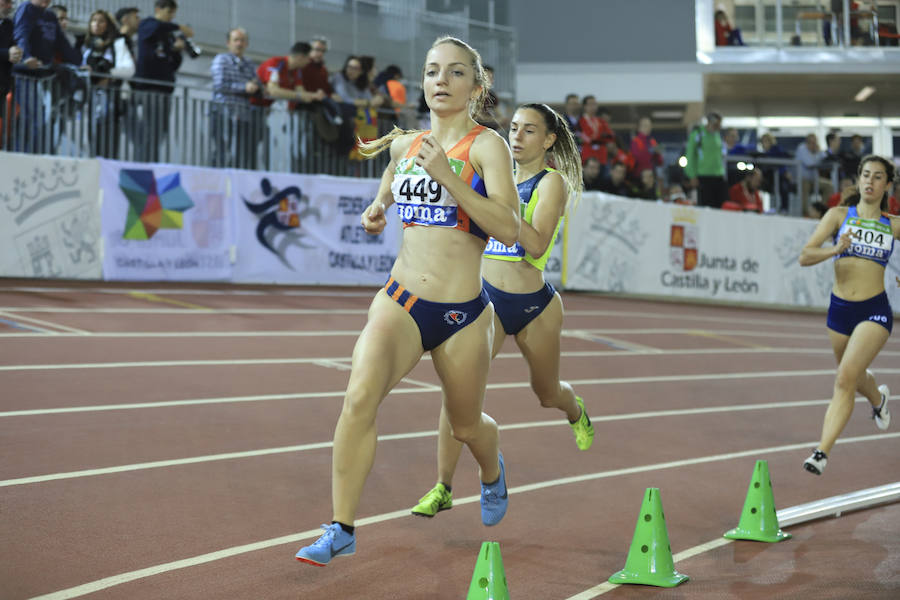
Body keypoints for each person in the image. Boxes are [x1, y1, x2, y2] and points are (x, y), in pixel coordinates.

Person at [294, 35, 521, 567]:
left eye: (455, 72)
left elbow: (508, 228)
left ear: (475, 85)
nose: (441, 80)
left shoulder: (488, 147)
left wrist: (447, 176)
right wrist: (376, 210)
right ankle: (341, 527)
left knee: (467, 426)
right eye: (432, 71)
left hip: (463, 315)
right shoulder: (404, 145)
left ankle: (491, 471)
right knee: (358, 398)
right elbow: (390, 185)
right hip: (399, 301)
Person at [410, 103, 594, 519]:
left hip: (533, 306)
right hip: (484, 303)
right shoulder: (490, 173)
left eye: (530, 130)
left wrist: (494, 213)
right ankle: (443, 485)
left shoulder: (551, 184)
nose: (516, 136)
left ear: (548, 140)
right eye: (513, 128)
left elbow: (535, 245)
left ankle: (575, 410)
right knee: (458, 396)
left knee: (547, 393)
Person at [799, 155, 895, 475]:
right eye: (866, 175)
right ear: (859, 179)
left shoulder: (893, 224)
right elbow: (805, 255)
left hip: (874, 310)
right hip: (839, 310)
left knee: (844, 378)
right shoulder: (838, 216)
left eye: (878, 177)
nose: (870, 181)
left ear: (887, 185)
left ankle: (821, 453)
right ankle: (879, 401)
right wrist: (834, 249)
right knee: (853, 377)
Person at [133, 0, 194, 162]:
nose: (171, 17)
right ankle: (143, 164)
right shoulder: (147, 25)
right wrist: (179, 27)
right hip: (148, 88)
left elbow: (171, 65)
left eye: (173, 14)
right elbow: (157, 26)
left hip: (165, 89)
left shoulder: (167, 36)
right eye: (169, 13)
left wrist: (176, 51)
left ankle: (152, 162)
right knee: (149, 130)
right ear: (158, 9)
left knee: (160, 131)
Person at [80, 9, 134, 158]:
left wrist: (108, 75)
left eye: (101, 21)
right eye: (94, 20)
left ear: (108, 25)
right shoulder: (85, 45)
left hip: (110, 98)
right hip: (90, 98)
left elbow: (129, 69)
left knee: (108, 139)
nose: (96, 24)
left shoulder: (118, 43)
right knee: (92, 138)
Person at [209, 27, 261, 169]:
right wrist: (244, 87)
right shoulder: (221, 59)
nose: (239, 43)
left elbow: (256, 82)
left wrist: (256, 87)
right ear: (228, 43)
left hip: (243, 115)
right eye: (236, 40)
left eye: (242, 40)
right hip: (222, 112)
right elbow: (220, 85)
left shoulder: (249, 63)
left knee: (241, 153)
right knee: (221, 150)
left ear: (247, 44)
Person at [684, 111, 726, 208]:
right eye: (717, 124)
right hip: (703, 176)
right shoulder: (698, 134)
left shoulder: (717, 135)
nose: (719, 126)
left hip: (718, 175)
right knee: (706, 207)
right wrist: (692, 175)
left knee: (720, 207)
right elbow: (690, 155)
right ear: (710, 122)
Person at [0, 0, 22, 148]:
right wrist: (6, 54)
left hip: (3, 86)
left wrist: (17, 54)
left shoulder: (9, 25)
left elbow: (15, 47)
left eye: (11, 3)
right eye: (5, 2)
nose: (9, 7)